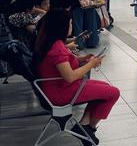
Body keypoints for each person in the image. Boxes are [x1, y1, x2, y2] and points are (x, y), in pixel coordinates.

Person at [33, 9, 120, 145]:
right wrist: (91, 64)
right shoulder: (57, 48)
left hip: (57, 87)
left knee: (105, 88)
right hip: (60, 92)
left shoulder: (51, 41)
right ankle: (88, 128)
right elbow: (70, 76)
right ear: (62, 26)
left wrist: (83, 59)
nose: (72, 25)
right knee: (113, 93)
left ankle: (84, 126)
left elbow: (63, 65)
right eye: (70, 23)